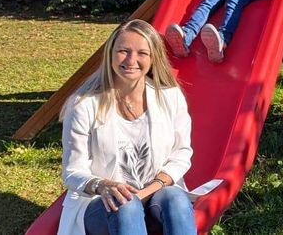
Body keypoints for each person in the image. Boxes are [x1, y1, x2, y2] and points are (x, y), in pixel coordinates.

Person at [58, 19, 195, 235]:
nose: (132, 60)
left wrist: (153, 187)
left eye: (142, 53)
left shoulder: (170, 97)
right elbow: (72, 172)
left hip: (154, 195)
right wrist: (102, 185)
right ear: (110, 54)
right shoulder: (84, 104)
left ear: (153, 58)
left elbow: (182, 153)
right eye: (123, 51)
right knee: (125, 203)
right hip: (103, 205)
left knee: (176, 197)